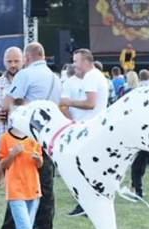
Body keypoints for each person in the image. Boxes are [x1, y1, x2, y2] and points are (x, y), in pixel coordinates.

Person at [2, 41, 62, 229]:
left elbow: (7, 104)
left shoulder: (25, 75)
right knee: (46, 184)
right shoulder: (55, 78)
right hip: (48, 136)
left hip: (28, 136)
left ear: (26, 58)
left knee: (18, 184)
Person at [0, 100, 44, 229]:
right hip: (15, 189)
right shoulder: (5, 138)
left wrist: (38, 159)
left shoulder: (33, 137)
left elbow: (40, 164)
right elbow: (3, 164)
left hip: (32, 189)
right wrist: (12, 154)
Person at [62, 48, 109, 218]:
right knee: (89, 168)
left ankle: (85, 204)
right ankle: (90, 204)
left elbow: (90, 104)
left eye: (76, 61)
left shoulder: (91, 77)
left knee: (83, 168)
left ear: (85, 62)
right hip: (94, 127)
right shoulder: (97, 75)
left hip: (88, 128)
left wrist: (69, 102)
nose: (74, 64)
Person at [121, 71, 149, 202]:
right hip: (147, 135)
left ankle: (143, 192)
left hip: (141, 135)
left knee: (141, 166)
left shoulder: (129, 95)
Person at [0, 47, 23, 191]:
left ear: (23, 60)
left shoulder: (29, 80)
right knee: (3, 160)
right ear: (4, 62)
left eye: (16, 61)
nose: (13, 65)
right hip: (4, 132)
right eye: (9, 61)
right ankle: (0, 183)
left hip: (25, 133)